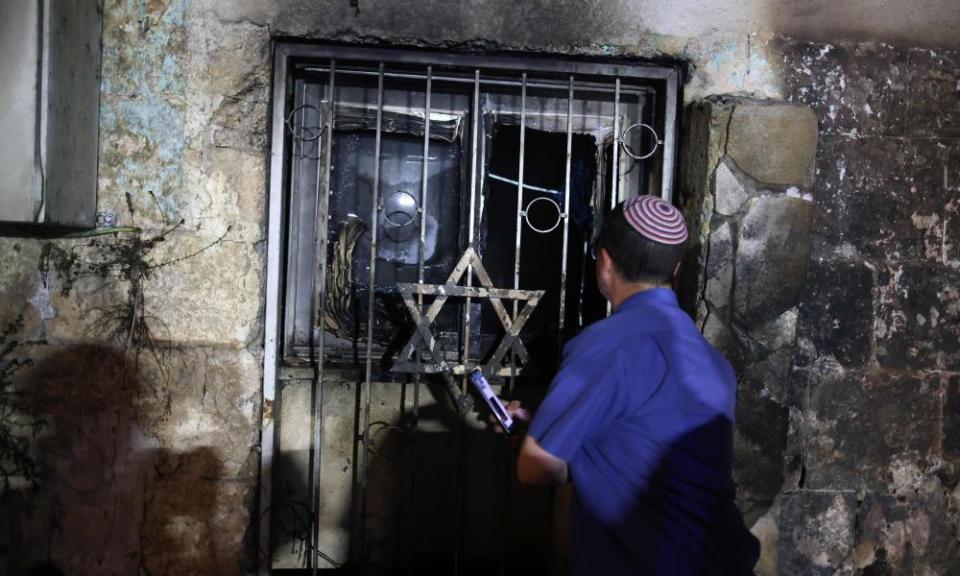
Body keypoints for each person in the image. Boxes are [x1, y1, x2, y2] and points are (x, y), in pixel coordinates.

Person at [504, 195, 760, 575]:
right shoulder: (714, 362)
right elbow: (641, 443)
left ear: (605, 261)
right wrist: (549, 424)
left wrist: (545, 442)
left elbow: (536, 469)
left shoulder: (607, 345)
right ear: (675, 267)